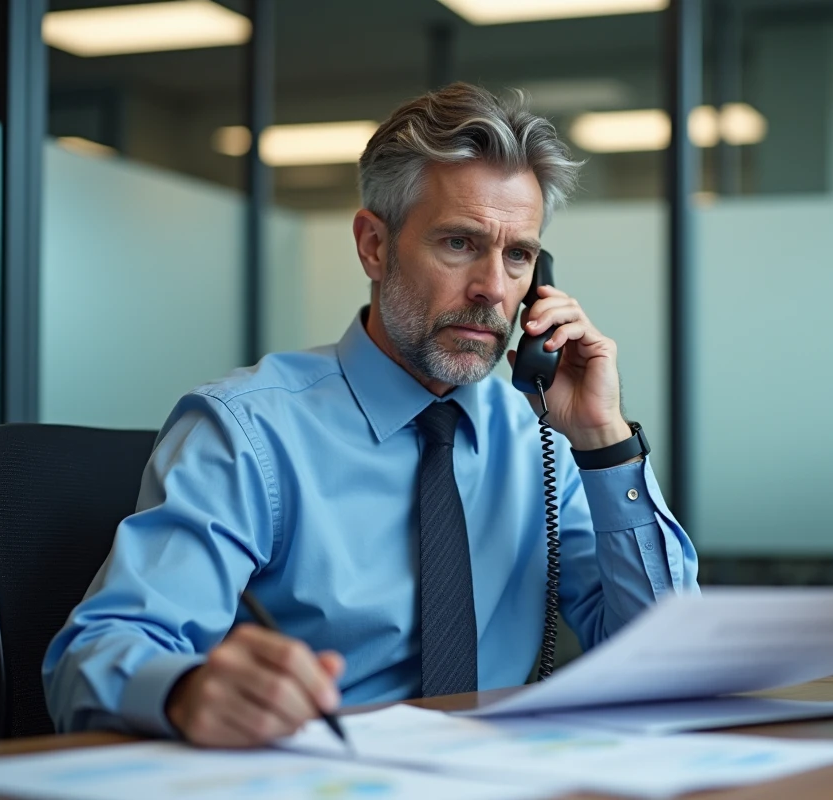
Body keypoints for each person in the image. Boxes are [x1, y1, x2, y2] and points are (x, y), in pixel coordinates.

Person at [43, 82, 699, 746]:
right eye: (459, 243)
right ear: (374, 246)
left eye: (518, 256)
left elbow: (666, 662)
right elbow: (96, 654)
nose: (492, 289)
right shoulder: (247, 432)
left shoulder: (542, 442)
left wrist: (603, 440)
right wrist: (186, 692)